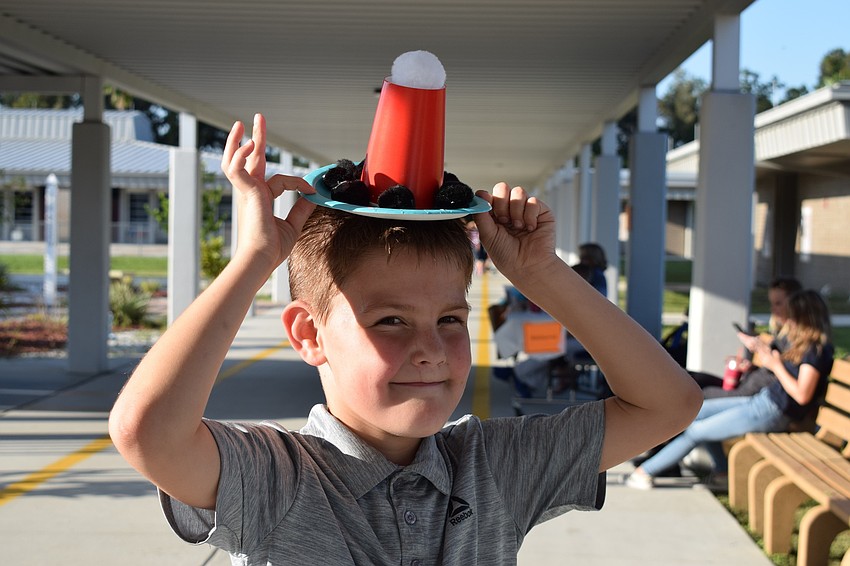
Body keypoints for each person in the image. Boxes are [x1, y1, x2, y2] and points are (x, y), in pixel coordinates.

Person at [109, 114, 702, 564]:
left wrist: (542, 275)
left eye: (450, 319)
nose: (431, 349)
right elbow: (148, 432)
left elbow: (669, 403)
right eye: (390, 320)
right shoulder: (274, 478)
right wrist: (255, 259)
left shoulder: (493, 468)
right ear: (309, 334)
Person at [627, 289, 834, 490]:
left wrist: (775, 365)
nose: (787, 321)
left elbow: (802, 394)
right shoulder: (801, 344)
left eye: (792, 316)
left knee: (695, 431)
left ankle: (645, 473)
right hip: (763, 400)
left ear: (805, 317)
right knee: (695, 414)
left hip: (774, 411)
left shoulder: (815, 351)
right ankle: (722, 473)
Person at [691, 276, 803, 399]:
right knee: (690, 378)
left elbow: (779, 373)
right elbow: (771, 370)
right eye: (772, 303)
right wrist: (751, 367)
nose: (773, 309)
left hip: (748, 394)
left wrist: (761, 349)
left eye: (778, 303)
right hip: (744, 385)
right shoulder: (783, 334)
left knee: (695, 392)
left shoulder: (797, 340)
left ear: (795, 304)